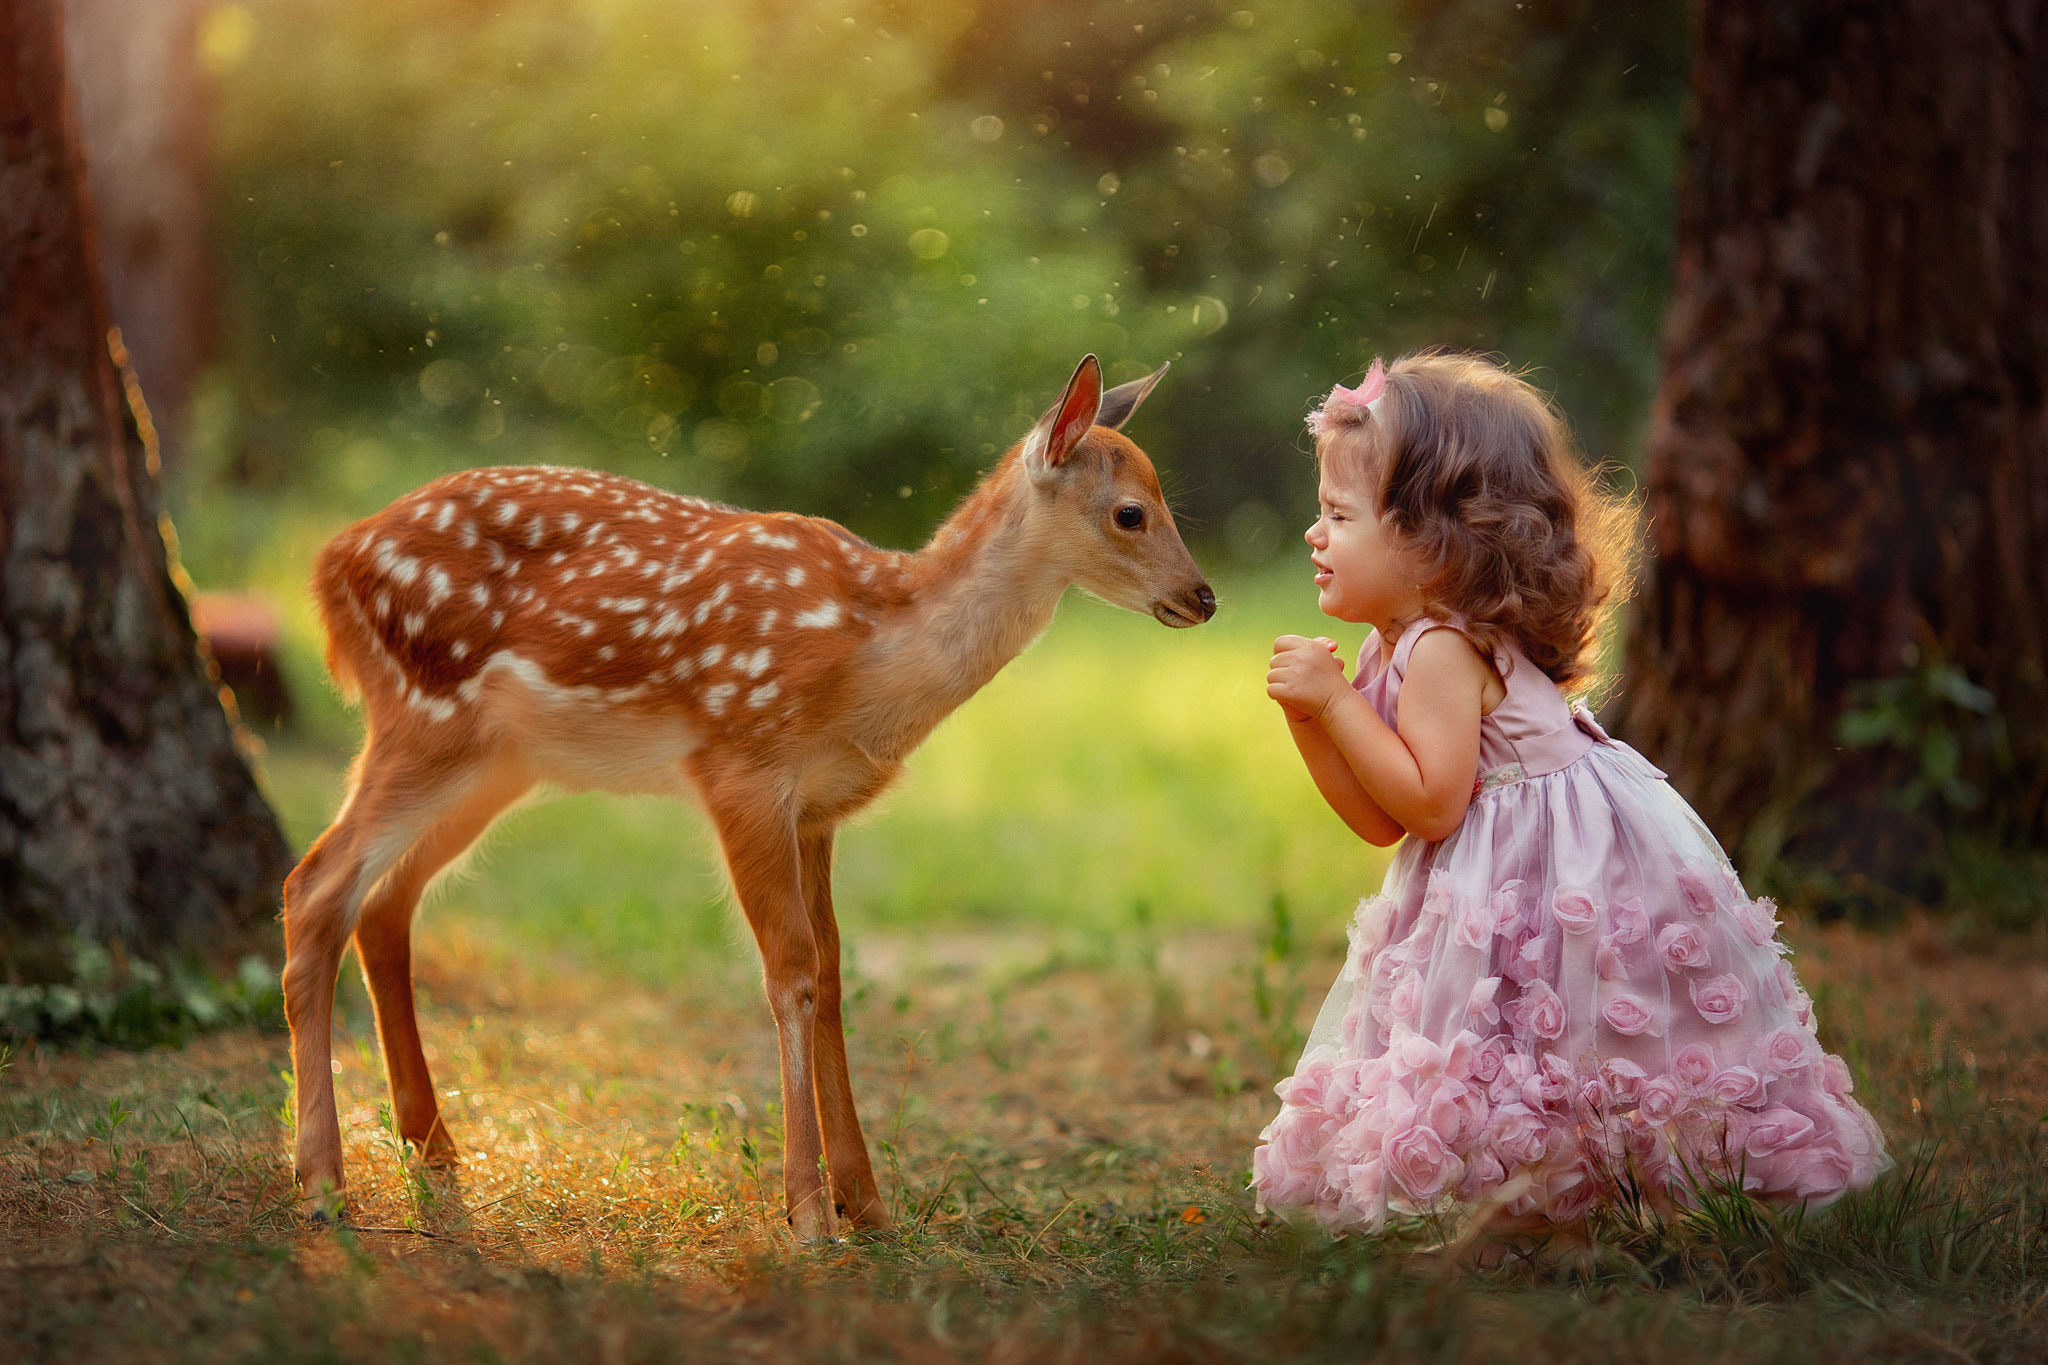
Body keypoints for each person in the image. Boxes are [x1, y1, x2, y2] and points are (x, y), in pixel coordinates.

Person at [1249, 351, 1889, 1241]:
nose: (1316, 534)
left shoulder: (1440, 647)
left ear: (1436, 539)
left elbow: (1432, 807)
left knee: (1577, 1031)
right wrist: (1316, 721)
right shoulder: (1391, 646)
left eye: (1338, 515)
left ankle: (1602, 1188)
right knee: (1527, 1040)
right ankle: (1544, 1193)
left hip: (1563, 867)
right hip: (1505, 862)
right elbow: (1378, 818)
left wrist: (1332, 704)